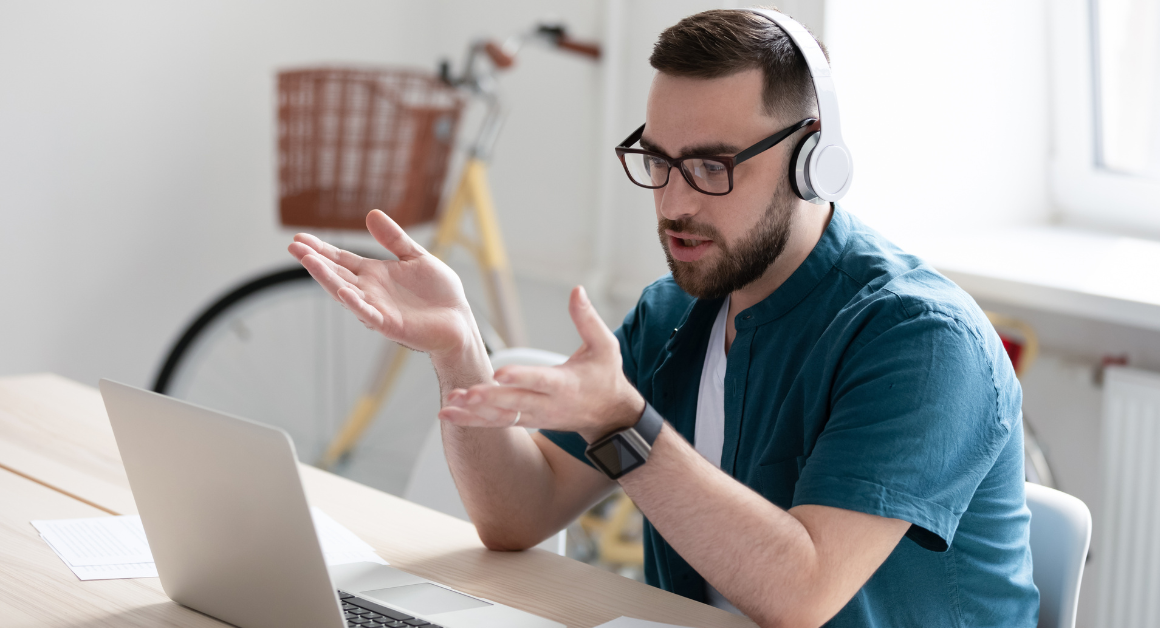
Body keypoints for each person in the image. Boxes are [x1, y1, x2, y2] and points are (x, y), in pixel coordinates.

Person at [288, 8, 1039, 628]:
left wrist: (625, 424)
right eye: (658, 160)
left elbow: (800, 592)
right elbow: (519, 514)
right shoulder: (678, 310)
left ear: (815, 161)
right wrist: (457, 349)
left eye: (711, 167)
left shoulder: (922, 341)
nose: (674, 202)